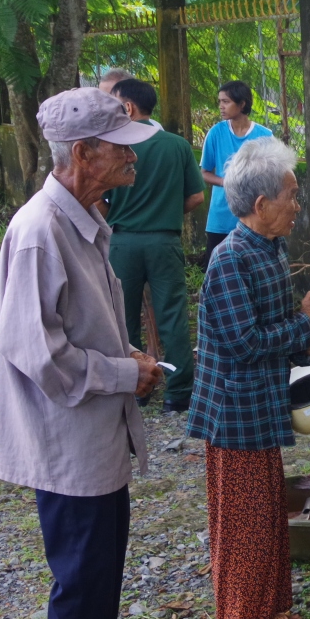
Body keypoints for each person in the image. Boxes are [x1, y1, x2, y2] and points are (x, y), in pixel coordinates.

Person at [0, 88, 163, 619]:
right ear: (84, 153)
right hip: (68, 444)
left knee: (98, 584)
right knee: (82, 588)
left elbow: (86, 323)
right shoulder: (40, 231)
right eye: (121, 148)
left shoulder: (84, 217)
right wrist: (122, 373)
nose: (132, 158)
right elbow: (39, 353)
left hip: (95, 439)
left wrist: (130, 357)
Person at [186, 137, 310, 619]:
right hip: (235, 413)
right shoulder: (229, 260)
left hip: (261, 405)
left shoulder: (269, 248)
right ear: (260, 205)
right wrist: (303, 326)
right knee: (243, 531)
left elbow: (280, 328)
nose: (298, 206)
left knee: (269, 515)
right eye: (292, 196)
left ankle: (268, 613)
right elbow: (244, 342)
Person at [102, 78, 205, 413]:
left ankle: (136, 389)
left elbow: (101, 201)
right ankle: (179, 393)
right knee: (172, 317)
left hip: (123, 242)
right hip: (165, 240)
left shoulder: (113, 145)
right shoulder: (177, 145)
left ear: (128, 107)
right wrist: (167, 212)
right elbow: (196, 196)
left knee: (122, 317)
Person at [201, 80, 273, 264]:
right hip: (220, 219)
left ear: (241, 104)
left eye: (226, 102)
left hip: (254, 217)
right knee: (217, 270)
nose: (221, 107)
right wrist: (228, 182)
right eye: (220, 102)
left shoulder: (265, 136)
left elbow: (274, 175)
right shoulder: (215, 133)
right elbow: (205, 172)